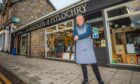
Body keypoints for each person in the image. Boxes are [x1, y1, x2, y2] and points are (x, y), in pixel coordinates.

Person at [73, 14, 104, 84]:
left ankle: (99, 80)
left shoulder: (88, 26)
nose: (80, 20)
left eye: (81, 18)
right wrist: (76, 37)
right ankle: (85, 79)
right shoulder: (75, 29)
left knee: (94, 64)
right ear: (77, 21)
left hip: (88, 48)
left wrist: (78, 37)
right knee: (83, 65)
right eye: (78, 19)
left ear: (83, 19)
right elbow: (74, 36)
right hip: (80, 49)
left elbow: (88, 33)